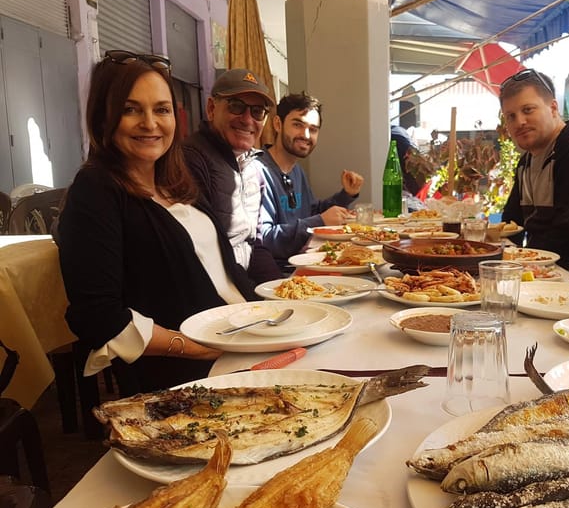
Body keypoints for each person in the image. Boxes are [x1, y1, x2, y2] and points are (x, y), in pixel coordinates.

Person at [57, 50, 258, 396]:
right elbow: (98, 317)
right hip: (193, 376)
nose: (150, 124)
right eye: (130, 109)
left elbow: (225, 274)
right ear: (104, 118)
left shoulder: (175, 181)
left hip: (245, 341)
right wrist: (199, 347)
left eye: (161, 110)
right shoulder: (96, 191)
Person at [183, 68, 281, 283]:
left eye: (257, 111)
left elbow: (255, 244)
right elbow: (205, 255)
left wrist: (279, 290)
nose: (247, 120)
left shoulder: (253, 165)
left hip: (243, 287)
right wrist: (255, 301)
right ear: (211, 109)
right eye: (236, 106)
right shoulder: (192, 159)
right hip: (214, 295)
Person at [259, 92, 363, 269]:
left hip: (310, 261)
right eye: (298, 125)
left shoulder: (296, 170)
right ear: (278, 124)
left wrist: (346, 195)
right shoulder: (258, 172)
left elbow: (311, 211)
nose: (306, 135)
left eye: (313, 129)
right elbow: (265, 240)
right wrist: (319, 222)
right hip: (284, 275)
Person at [499, 68, 569, 270]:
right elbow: (511, 224)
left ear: (553, 108)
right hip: (541, 272)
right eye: (510, 116)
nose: (519, 122)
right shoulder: (526, 162)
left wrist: (523, 267)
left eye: (528, 110)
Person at [390, 124, 423, 196]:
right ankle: (415, 195)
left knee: (407, 173)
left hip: (399, 144)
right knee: (408, 173)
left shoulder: (395, 129)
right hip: (402, 144)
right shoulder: (400, 129)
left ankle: (414, 195)